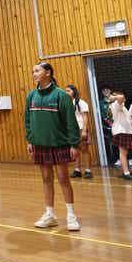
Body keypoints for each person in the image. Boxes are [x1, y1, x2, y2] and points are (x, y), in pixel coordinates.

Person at [25, 62, 81, 231]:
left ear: (48, 72)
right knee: (46, 179)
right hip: (40, 144)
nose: (34, 73)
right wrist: (30, 140)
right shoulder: (31, 96)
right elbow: (28, 121)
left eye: (37, 70)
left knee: (64, 178)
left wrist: (74, 144)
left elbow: (71, 122)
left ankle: (71, 215)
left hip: (59, 144)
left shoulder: (61, 96)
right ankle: (50, 214)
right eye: (33, 71)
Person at [109, 91, 132, 181]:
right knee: (123, 153)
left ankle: (127, 171)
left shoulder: (122, 107)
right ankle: (126, 173)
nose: (123, 99)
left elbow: (130, 121)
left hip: (126, 131)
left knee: (125, 153)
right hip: (121, 131)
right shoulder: (115, 105)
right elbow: (119, 97)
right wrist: (114, 97)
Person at [65, 85, 92, 179]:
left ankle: (88, 170)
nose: (66, 92)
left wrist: (84, 130)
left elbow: (85, 116)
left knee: (84, 150)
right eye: (65, 91)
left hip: (80, 128)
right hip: (71, 130)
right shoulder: (66, 103)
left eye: (68, 90)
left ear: (73, 92)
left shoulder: (81, 102)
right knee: (74, 150)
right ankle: (77, 170)